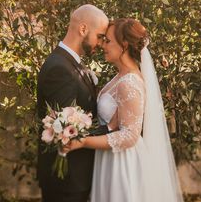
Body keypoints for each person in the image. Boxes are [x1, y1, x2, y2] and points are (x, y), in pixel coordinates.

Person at [63, 18, 183, 201]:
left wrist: (83, 142)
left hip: (123, 164)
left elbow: (129, 136)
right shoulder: (121, 77)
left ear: (124, 45)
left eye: (108, 41)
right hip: (110, 157)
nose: (103, 45)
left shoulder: (129, 83)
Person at [36, 4, 110, 202]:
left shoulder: (71, 63)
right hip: (66, 179)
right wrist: (113, 129)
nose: (102, 44)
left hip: (76, 177)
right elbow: (68, 130)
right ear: (83, 29)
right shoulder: (59, 69)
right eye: (100, 36)